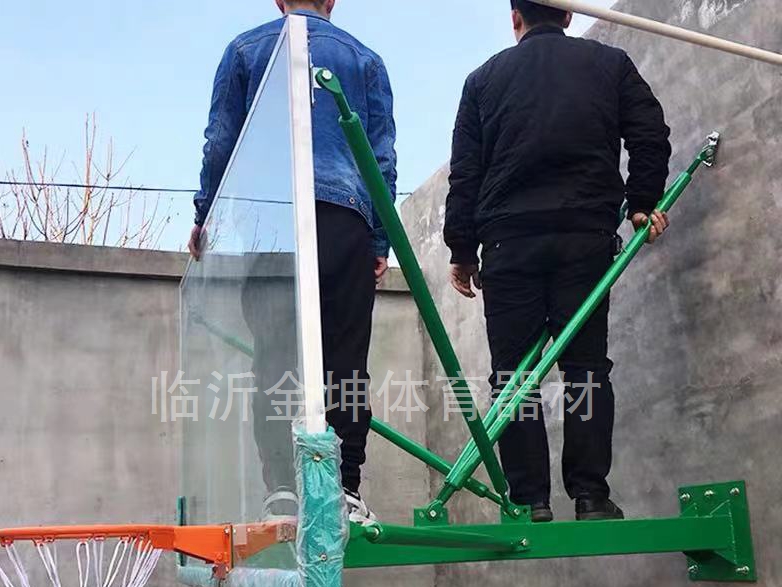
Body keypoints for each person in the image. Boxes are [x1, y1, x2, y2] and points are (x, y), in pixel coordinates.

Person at [444, 0, 672, 522]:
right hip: (584, 239)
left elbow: (466, 172)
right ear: (567, 15)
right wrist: (642, 202)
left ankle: (530, 501)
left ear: (515, 18)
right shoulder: (609, 64)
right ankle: (590, 495)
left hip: (509, 245)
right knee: (586, 370)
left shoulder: (483, 80)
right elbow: (650, 134)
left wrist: (461, 249)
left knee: (514, 377)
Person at [190, 0, 397, 525]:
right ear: (333, 0)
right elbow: (380, 158)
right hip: (343, 219)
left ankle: (281, 489)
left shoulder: (245, 51)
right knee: (346, 363)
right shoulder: (365, 60)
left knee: (274, 361)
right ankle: (345, 488)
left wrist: (205, 215)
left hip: (272, 220)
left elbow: (221, 143)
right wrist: (378, 238)